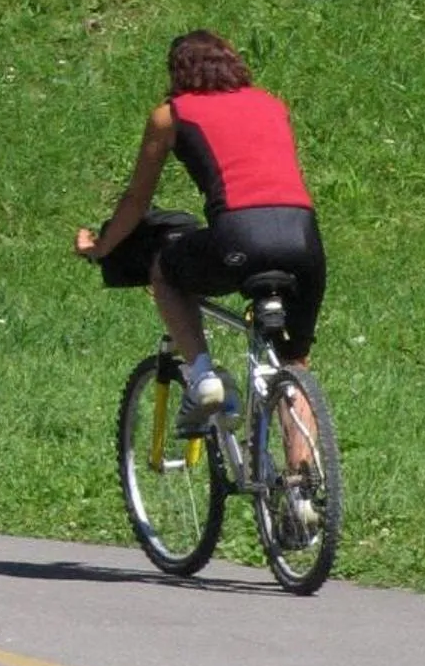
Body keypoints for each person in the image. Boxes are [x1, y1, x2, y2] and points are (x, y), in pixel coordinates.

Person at [75, 29, 326, 433]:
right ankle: (304, 489)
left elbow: (137, 200)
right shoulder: (271, 105)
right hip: (303, 237)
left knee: (165, 271)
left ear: (178, 72)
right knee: (292, 364)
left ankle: (203, 375)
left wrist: (102, 247)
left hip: (238, 235)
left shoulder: (172, 113)